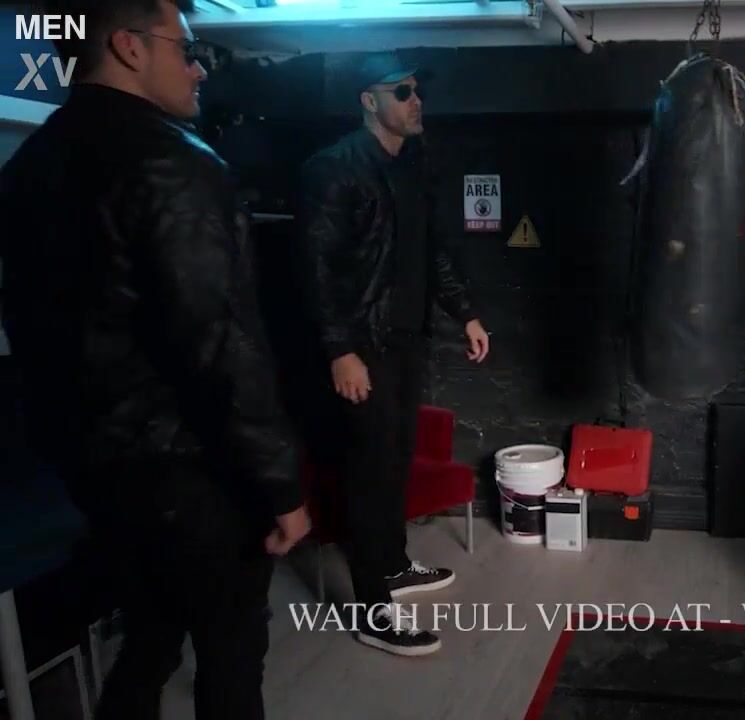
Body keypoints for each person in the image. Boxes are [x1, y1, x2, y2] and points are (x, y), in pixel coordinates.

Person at [0, 1, 309, 718]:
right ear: (130, 48)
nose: (199, 69)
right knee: (232, 652)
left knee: (150, 635)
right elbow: (218, 342)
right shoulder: (175, 163)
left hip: (89, 468)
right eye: (187, 50)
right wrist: (280, 485)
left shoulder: (27, 166)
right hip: (189, 468)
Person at [296, 53, 490, 657]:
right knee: (368, 470)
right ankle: (371, 610)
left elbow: (433, 252)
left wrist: (465, 313)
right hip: (362, 345)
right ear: (368, 100)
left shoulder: (413, 165)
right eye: (401, 91)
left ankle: (394, 565)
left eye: (417, 90)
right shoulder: (333, 169)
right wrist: (340, 350)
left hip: (406, 340)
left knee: (396, 459)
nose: (415, 100)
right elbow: (316, 269)